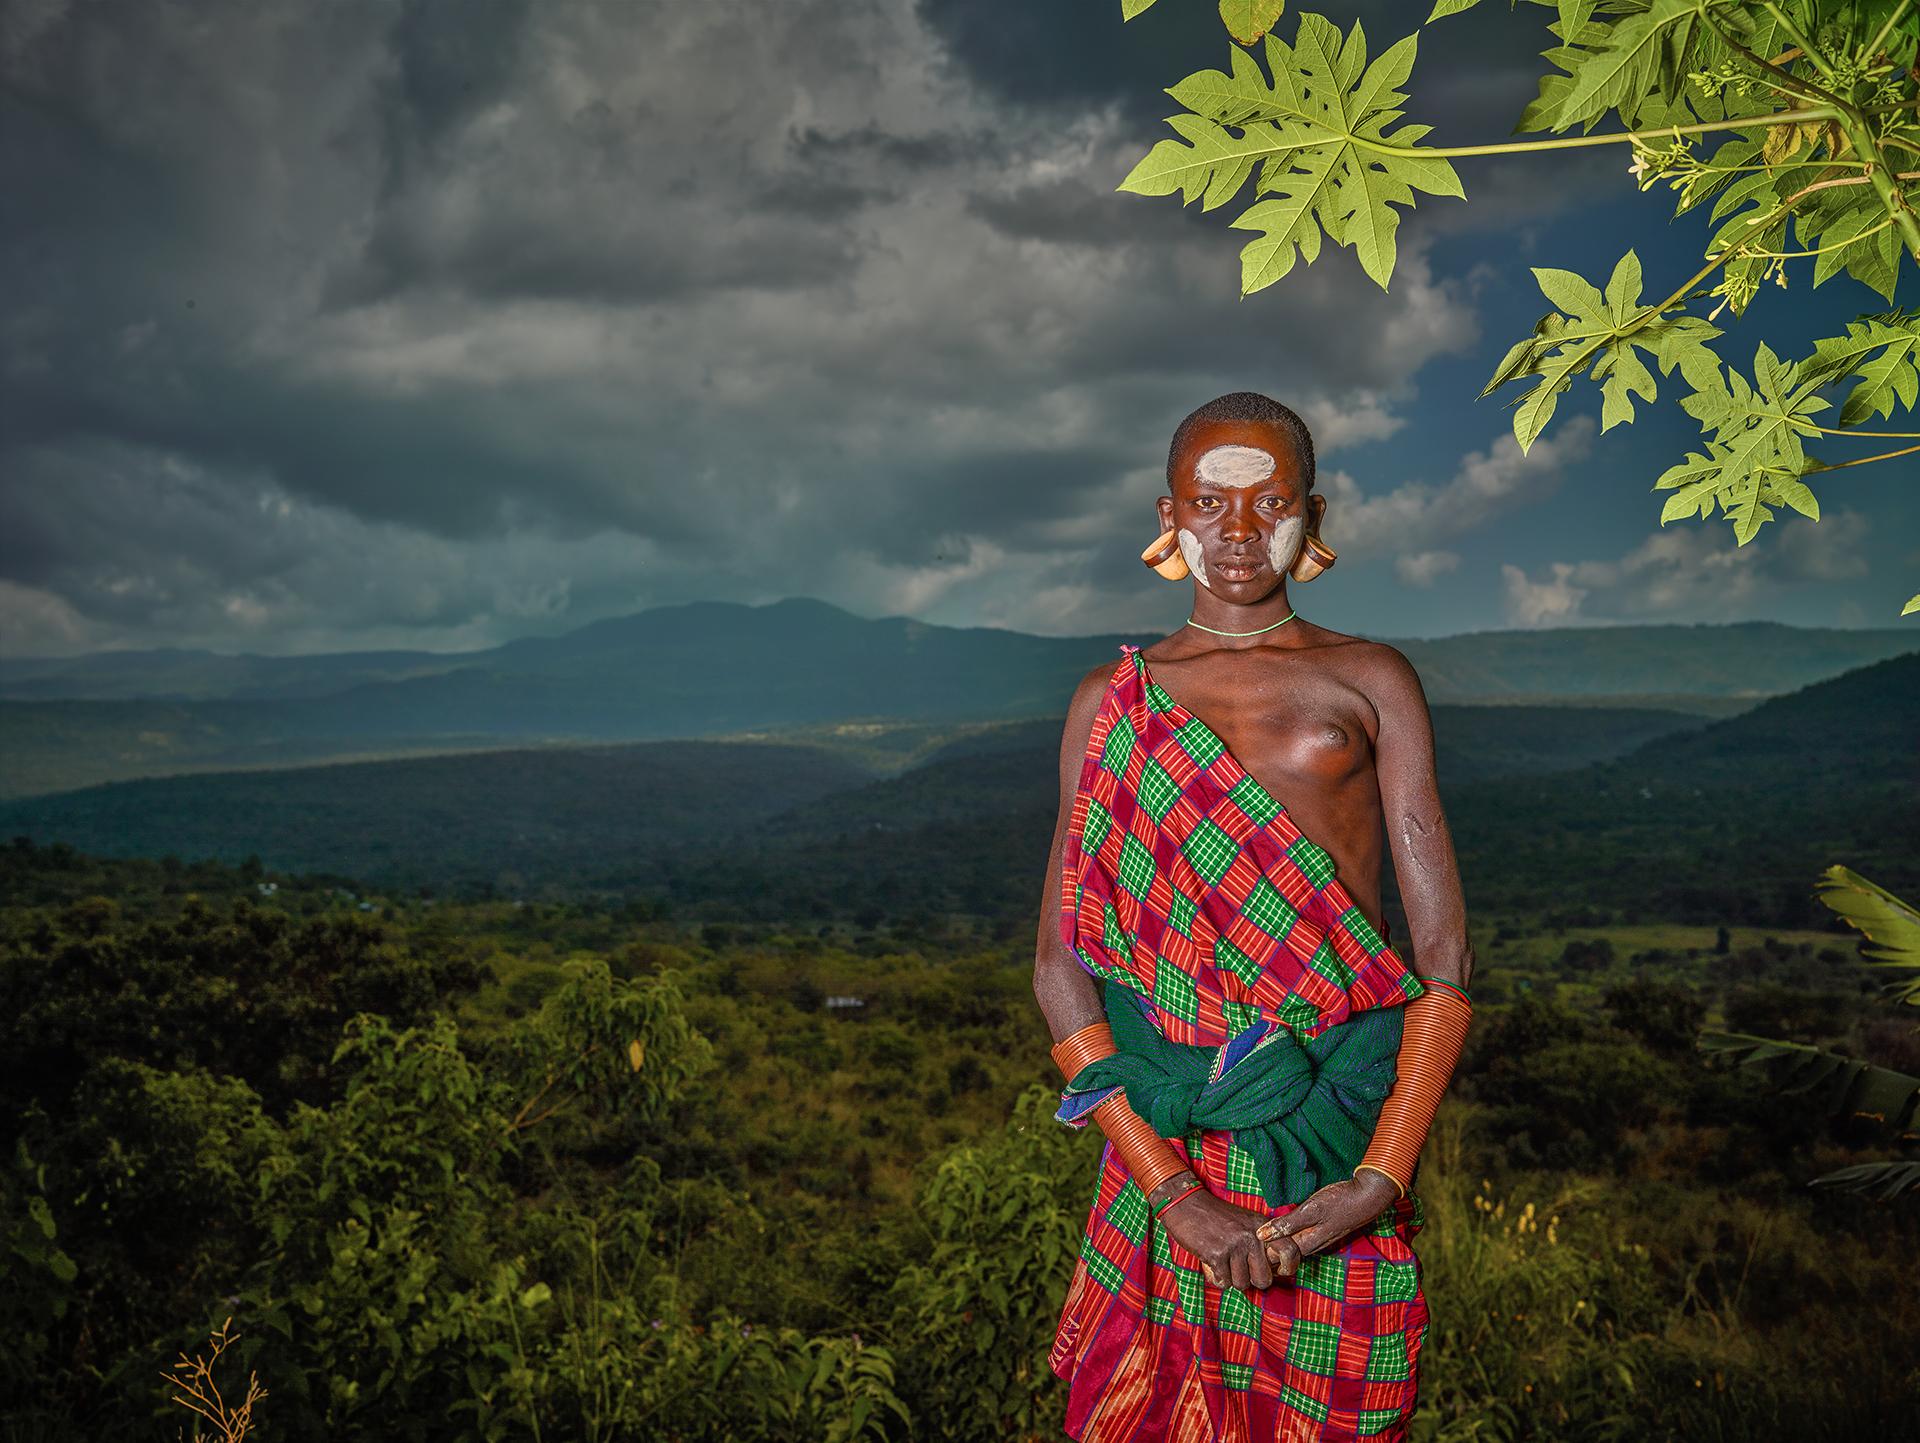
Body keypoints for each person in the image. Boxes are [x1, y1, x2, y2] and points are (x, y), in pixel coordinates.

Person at [1032, 392, 1475, 1442]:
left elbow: (1445, 955)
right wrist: (1176, 1193)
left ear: (1311, 516)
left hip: (1335, 1131)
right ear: (1168, 513)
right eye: (1209, 501)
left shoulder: (1367, 681)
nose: (1237, 530)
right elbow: (1060, 967)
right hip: (1167, 1138)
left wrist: (1381, 1175)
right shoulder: (1112, 699)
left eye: (1268, 500)